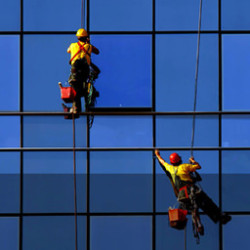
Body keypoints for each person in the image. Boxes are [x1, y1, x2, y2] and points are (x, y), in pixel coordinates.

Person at [154, 149, 231, 235]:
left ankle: (198, 224)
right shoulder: (185, 166)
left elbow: (162, 162)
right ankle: (221, 217)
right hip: (191, 191)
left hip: (182, 195)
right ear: (179, 160)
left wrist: (157, 155)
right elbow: (198, 167)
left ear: (172, 162)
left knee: (194, 208)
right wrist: (193, 161)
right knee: (207, 203)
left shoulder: (170, 168)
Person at [66, 28, 100, 113]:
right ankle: (88, 107)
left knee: (75, 88)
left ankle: (76, 108)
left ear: (78, 37)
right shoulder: (89, 46)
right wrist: (88, 43)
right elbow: (97, 51)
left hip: (75, 71)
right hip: (85, 71)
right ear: (86, 37)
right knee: (86, 88)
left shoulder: (73, 45)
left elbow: (68, 51)